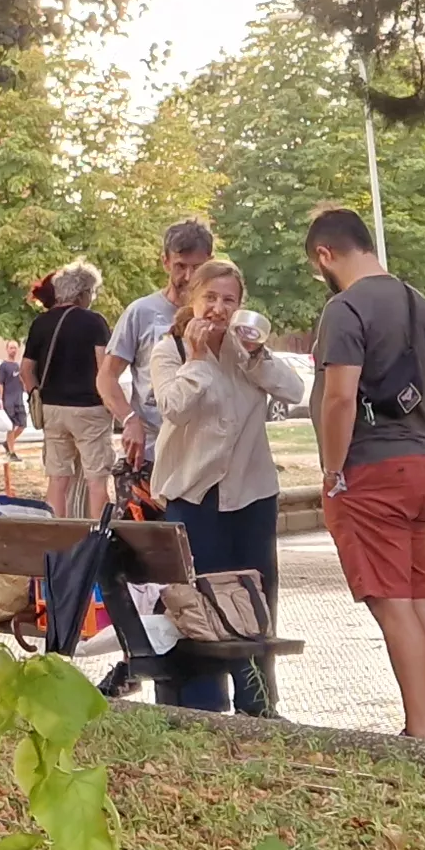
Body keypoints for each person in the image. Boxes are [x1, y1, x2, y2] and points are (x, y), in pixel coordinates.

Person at [303, 209, 425, 735]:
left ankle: (418, 732)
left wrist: (332, 470)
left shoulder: (344, 309)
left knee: (393, 606)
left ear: (325, 254)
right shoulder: (422, 305)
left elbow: (340, 397)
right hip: (420, 459)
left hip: (370, 469)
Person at [140, 258, 288, 717]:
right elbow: (173, 408)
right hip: (193, 494)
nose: (219, 309)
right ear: (192, 298)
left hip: (251, 492)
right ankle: (204, 705)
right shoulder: (170, 351)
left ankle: (259, 703)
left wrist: (257, 356)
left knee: (255, 600)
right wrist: (201, 361)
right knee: (199, 600)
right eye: (211, 298)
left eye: (229, 300)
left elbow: (293, 388)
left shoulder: (247, 350)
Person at [97, 220, 217, 477]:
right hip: (152, 453)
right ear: (165, 262)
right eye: (180, 266)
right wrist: (129, 420)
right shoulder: (141, 312)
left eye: (197, 268)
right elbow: (106, 378)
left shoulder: (220, 314)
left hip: (207, 454)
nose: (188, 277)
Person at [22, 263, 121, 521]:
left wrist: (36, 395)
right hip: (89, 409)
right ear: (82, 293)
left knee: (57, 479)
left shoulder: (40, 323)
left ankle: (56, 537)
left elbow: (26, 370)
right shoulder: (95, 322)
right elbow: (104, 369)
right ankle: (97, 538)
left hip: (52, 409)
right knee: (96, 480)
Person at [0, 337, 31, 438]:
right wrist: (0, 399)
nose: (13, 350)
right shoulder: (3, 366)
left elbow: (23, 381)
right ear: (7, 349)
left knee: (22, 424)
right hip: (8, 400)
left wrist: (27, 392)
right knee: (12, 426)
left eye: (15, 348)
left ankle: (9, 443)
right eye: (11, 348)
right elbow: (0, 384)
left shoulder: (18, 366)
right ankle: (11, 451)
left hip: (19, 400)